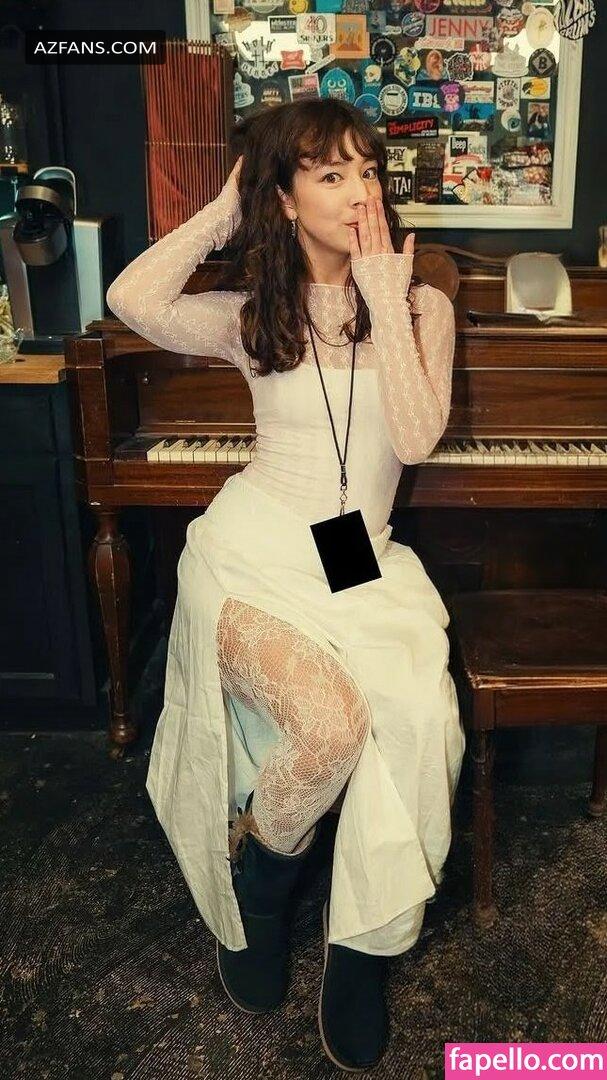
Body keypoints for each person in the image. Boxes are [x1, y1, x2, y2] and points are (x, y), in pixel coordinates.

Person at [105, 98, 466, 1073]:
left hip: (358, 559)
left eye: (367, 171)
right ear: (285, 196)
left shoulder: (421, 306)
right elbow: (132, 298)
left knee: (420, 723)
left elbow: (415, 437)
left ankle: (363, 947)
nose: (360, 193)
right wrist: (226, 208)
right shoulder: (253, 313)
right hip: (253, 552)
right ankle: (261, 895)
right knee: (331, 727)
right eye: (329, 174)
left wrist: (384, 292)